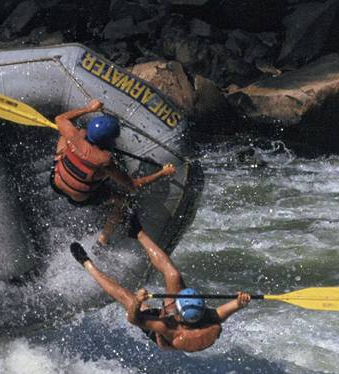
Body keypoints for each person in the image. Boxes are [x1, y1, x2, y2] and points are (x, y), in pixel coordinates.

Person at [69, 215, 251, 352]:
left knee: (126, 297)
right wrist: (240, 302)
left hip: (161, 335)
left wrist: (137, 302)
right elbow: (222, 312)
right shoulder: (210, 321)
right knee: (174, 275)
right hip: (185, 320)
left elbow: (134, 320)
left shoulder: (169, 329)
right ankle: (137, 232)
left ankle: (87, 264)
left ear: (178, 313)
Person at [51, 99, 177, 245]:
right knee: (122, 200)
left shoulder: (73, 137)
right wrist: (162, 173)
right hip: (79, 198)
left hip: (56, 181)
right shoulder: (105, 162)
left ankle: (63, 159)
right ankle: (103, 240)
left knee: (65, 136)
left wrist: (88, 109)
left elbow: (60, 119)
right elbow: (133, 185)